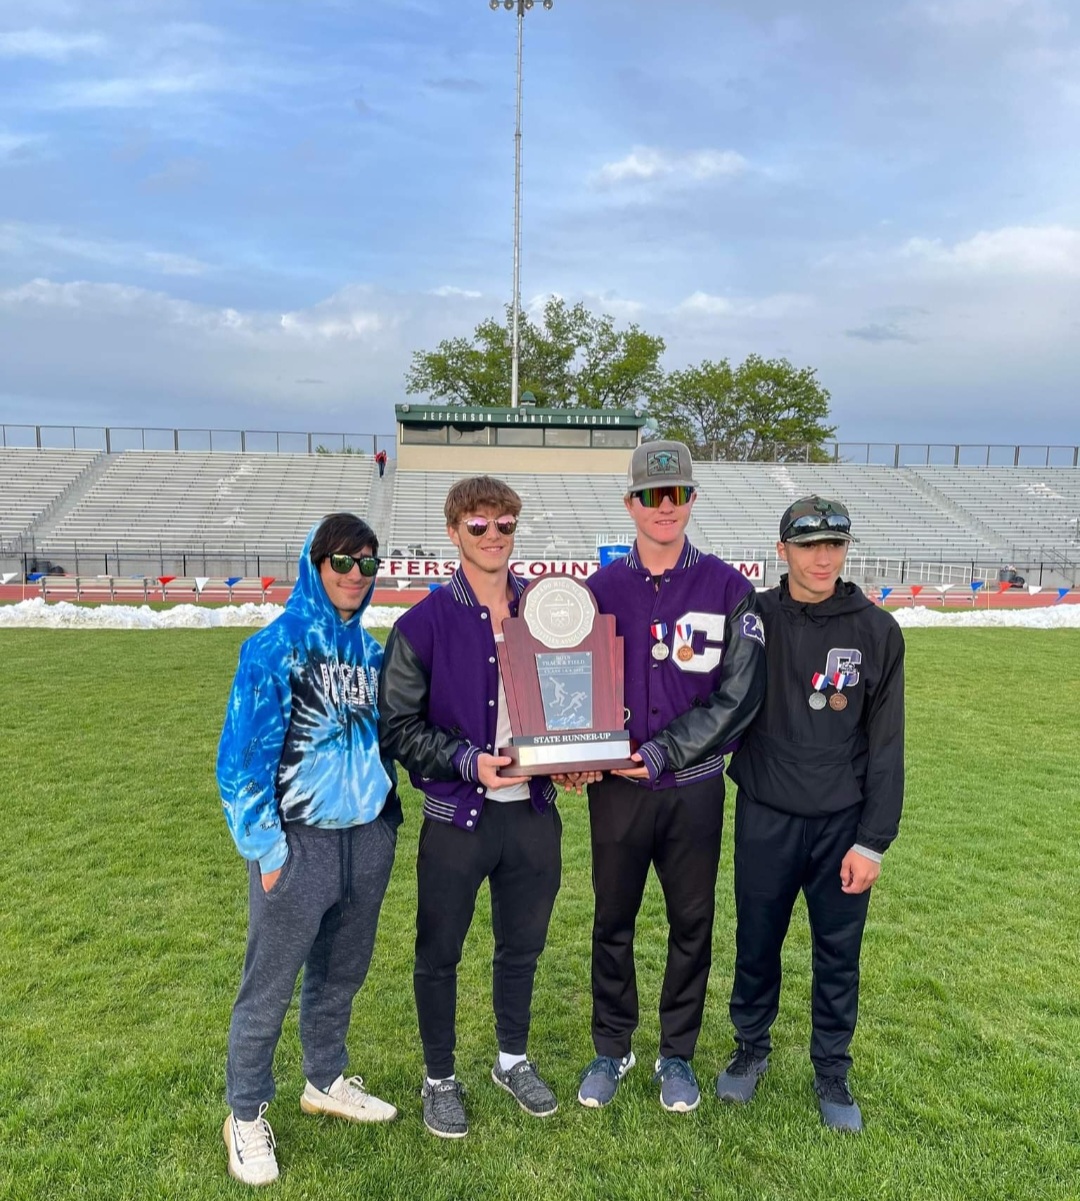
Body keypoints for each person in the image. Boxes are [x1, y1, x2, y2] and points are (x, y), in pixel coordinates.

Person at [576, 440, 766, 1114]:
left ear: (692, 500)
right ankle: (612, 1045)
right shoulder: (597, 591)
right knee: (612, 919)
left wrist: (664, 751)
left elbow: (739, 696)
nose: (666, 507)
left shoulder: (728, 588)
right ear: (630, 503)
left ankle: (677, 1052)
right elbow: (570, 684)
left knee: (692, 922)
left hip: (693, 788)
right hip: (617, 789)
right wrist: (573, 754)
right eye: (652, 496)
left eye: (677, 494)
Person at [217, 512, 401, 1186]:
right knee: (268, 986)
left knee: (340, 976)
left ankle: (325, 1079)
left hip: (365, 841)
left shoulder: (372, 655)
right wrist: (267, 851)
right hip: (298, 845)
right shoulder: (272, 649)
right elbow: (241, 762)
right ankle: (244, 1113)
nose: (355, 574)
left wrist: (383, 827)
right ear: (315, 563)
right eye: (342, 561)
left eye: (367, 563)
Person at [378, 476, 561, 1139]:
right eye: (478, 525)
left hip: (532, 811)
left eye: (504, 524)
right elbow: (398, 727)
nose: (493, 536)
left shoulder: (549, 608)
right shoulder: (422, 624)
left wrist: (575, 756)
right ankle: (439, 1077)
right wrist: (465, 760)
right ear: (453, 532)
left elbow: (577, 696)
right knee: (439, 952)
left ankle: (512, 1060)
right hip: (458, 817)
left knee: (522, 947)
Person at [716, 495, 905, 1133]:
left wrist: (872, 841)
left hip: (841, 825)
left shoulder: (877, 631)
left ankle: (831, 1068)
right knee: (756, 941)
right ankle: (751, 1047)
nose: (822, 558)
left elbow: (887, 744)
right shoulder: (753, 617)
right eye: (808, 545)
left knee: (838, 952)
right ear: (783, 550)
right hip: (766, 812)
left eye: (834, 544)